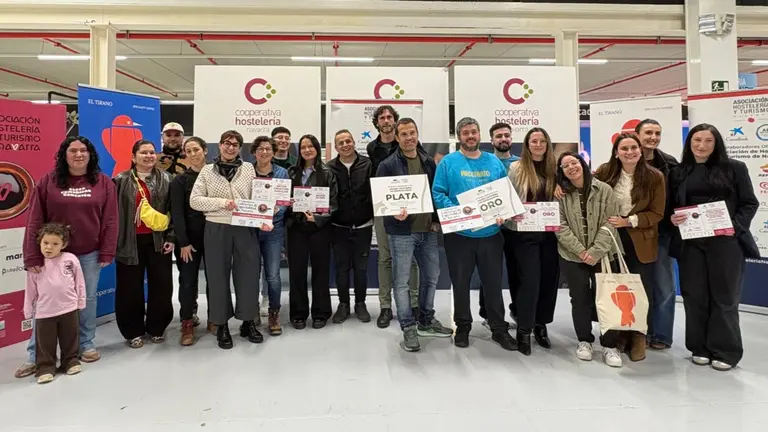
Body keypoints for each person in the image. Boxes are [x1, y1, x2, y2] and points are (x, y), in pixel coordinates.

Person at [16, 136, 117, 379]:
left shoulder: (103, 183)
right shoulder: (48, 181)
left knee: (86, 299)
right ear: (64, 154)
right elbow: (35, 219)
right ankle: (35, 354)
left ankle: (85, 343)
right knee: (44, 303)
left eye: (83, 150)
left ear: (90, 155)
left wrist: (107, 250)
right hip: (53, 255)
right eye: (73, 151)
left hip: (89, 253)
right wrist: (32, 255)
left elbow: (111, 220)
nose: (79, 155)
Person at [669, 123, 758, 372]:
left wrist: (735, 227)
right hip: (691, 243)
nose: (702, 146)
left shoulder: (734, 168)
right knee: (694, 296)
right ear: (689, 143)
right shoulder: (679, 172)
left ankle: (726, 351)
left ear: (716, 144)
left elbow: (749, 203)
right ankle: (699, 347)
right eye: (697, 140)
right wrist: (673, 218)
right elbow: (671, 206)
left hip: (725, 243)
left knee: (725, 297)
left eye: (708, 141)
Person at [432, 117, 517, 351]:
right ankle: (463, 327)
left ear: (479, 135)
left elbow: (504, 193)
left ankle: (498, 329)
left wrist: (503, 214)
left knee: (493, 284)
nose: (470, 136)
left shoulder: (493, 162)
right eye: (466, 133)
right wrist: (459, 213)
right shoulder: (448, 163)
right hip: (459, 236)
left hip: (491, 235)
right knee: (460, 284)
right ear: (459, 136)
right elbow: (438, 193)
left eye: (474, 132)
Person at [376, 119, 452, 351]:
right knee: (401, 282)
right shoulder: (387, 165)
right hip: (401, 232)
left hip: (427, 230)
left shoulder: (428, 162)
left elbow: (436, 193)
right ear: (397, 137)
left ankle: (426, 320)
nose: (409, 138)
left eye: (412, 133)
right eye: (404, 134)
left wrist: (437, 220)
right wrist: (391, 213)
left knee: (432, 276)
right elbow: (380, 200)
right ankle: (408, 327)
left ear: (417, 134)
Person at [595, 132, 666, 362]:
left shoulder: (655, 177)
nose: (629, 152)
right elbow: (584, 186)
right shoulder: (605, 172)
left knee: (640, 290)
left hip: (640, 239)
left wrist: (629, 221)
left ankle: (638, 337)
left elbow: (657, 213)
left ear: (640, 150)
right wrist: (561, 186)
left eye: (633, 148)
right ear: (616, 152)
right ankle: (617, 335)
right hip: (611, 239)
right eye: (624, 148)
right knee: (615, 288)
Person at [190, 130, 263, 349]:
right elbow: (195, 200)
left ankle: (248, 322)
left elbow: (258, 197)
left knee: (249, 275)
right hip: (216, 227)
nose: (230, 147)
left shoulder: (248, 168)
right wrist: (222, 203)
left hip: (244, 227)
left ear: (240, 148)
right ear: (220, 145)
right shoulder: (207, 171)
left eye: (235, 144)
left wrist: (265, 215)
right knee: (217, 276)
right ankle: (221, 325)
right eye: (227, 143)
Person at [555, 151, 623, 367]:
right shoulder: (560, 195)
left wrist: (594, 251)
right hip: (572, 256)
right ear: (561, 172)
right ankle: (584, 341)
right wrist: (580, 251)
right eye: (565, 166)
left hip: (604, 255)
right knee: (580, 299)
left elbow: (611, 221)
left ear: (582, 163)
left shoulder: (605, 189)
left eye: (574, 162)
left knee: (608, 298)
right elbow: (560, 226)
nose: (571, 167)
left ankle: (610, 345)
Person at [113, 140, 175, 348]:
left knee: (162, 287)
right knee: (129, 289)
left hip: (159, 242)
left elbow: (174, 211)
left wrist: (171, 237)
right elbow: (112, 214)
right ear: (133, 157)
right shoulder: (119, 181)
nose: (149, 156)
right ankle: (133, 331)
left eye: (152, 152)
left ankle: (157, 328)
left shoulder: (167, 179)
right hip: (128, 242)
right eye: (143, 153)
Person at [503, 127, 559, 355]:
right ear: (527, 145)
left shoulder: (555, 169)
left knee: (548, 281)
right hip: (523, 234)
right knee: (529, 281)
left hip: (550, 234)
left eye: (542, 141)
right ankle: (524, 330)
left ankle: (540, 324)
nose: (538, 145)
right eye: (534, 141)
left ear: (547, 144)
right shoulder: (516, 168)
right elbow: (507, 197)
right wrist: (511, 212)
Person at [366, 105, 419, 328]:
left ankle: (413, 304)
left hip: (409, 207)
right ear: (377, 122)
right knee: (384, 258)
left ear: (395, 121)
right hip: (383, 208)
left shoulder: (408, 143)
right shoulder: (371, 148)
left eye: (390, 117)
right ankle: (385, 307)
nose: (386, 120)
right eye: (382, 117)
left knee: (411, 259)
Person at [286, 134, 338, 330]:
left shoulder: (328, 173)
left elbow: (333, 202)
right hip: (296, 228)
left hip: (319, 228)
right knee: (296, 272)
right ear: (299, 151)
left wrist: (317, 218)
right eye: (303, 147)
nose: (307, 150)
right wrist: (289, 203)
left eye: (310, 146)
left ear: (317, 149)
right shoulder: (292, 172)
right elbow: (284, 198)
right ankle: (298, 313)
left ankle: (321, 312)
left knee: (321, 271)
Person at [635, 119, 679, 350]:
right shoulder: (624, 159)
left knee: (663, 286)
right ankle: (639, 333)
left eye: (657, 133)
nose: (653, 137)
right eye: (648, 132)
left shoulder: (669, 163)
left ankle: (661, 335)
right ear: (637, 135)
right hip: (632, 234)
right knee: (637, 286)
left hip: (662, 233)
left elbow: (678, 196)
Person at [23, 223, 85, 384]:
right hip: (45, 312)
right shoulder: (35, 265)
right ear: (39, 242)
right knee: (45, 343)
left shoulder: (70, 260)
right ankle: (45, 367)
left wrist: (81, 301)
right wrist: (28, 309)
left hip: (69, 308)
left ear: (63, 245)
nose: (49, 247)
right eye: (45, 243)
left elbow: (79, 282)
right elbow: (30, 290)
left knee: (70, 338)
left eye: (55, 244)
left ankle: (70, 361)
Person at [327, 129, 374, 324]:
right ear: (336, 147)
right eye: (341, 143)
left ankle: (360, 303)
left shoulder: (368, 164)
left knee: (361, 268)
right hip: (338, 226)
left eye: (348, 141)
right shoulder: (329, 168)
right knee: (342, 268)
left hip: (363, 225)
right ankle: (343, 304)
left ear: (354, 142)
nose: (345, 145)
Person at [170, 137, 212, 346]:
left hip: (214, 238)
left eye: (196, 149)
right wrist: (183, 242)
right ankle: (187, 320)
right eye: (188, 151)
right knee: (187, 281)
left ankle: (215, 317)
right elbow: (177, 214)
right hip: (188, 242)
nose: (193, 154)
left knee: (215, 279)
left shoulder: (216, 176)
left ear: (205, 150)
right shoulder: (179, 181)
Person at [479, 123, 521, 327]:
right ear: (491, 140)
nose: (503, 139)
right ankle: (488, 314)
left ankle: (517, 311)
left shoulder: (521, 164)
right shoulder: (484, 162)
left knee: (517, 272)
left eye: (506, 135)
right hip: (490, 227)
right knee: (490, 274)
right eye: (498, 136)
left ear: (511, 138)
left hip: (514, 228)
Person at [251, 136, 290, 336]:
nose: (264, 152)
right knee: (250, 273)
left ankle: (274, 313)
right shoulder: (246, 171)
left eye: (268, 149)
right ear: (254, 152)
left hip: (274, 229)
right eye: (260, 148)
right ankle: (252, 311)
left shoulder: (282, 173)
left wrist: (274, 212)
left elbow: (283, 202)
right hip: (250, 229)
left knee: (273, 275)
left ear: (273, 152)